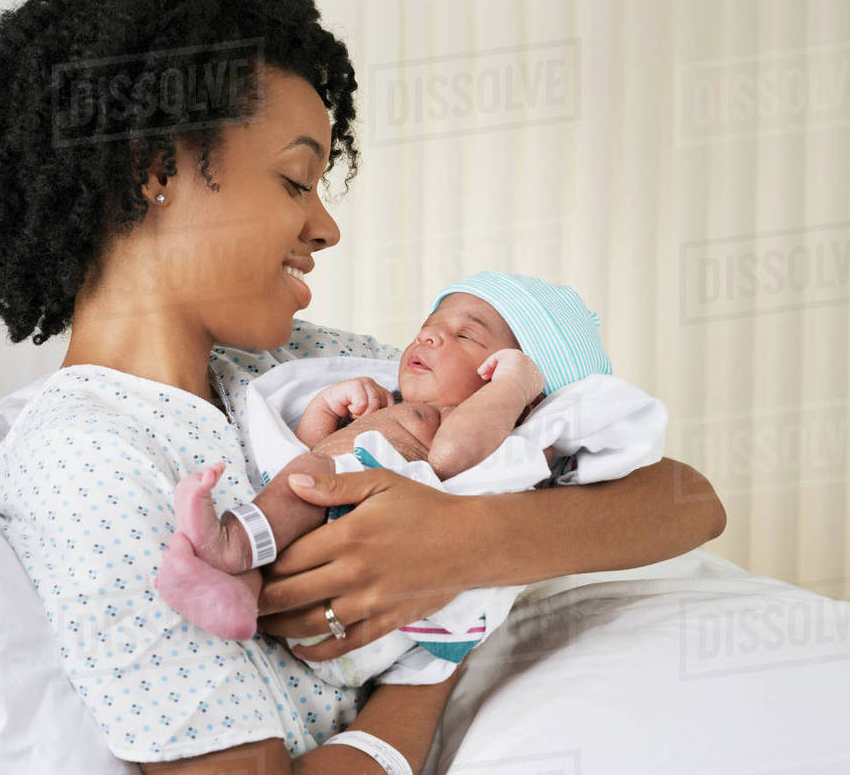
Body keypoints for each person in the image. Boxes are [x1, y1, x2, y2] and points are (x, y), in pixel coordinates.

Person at [0, 0, 726, 772]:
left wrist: (465, 544)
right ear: (154, 168)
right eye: (296, 180)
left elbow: (686, 501)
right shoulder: (89, 463)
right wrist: (430, 666)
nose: (327, 225)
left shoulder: (299, 361)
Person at [157, 271, 669, 690]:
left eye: (466, 335)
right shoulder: (398, 403)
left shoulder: (493, 435)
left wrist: (512, 389)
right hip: (319, 535)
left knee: (314, 480)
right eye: (430, 324)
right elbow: (308, 452)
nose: (429, 335)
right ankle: (239, 588)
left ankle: (230, 543)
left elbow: (448, 459)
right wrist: (325, 410)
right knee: (311, 476)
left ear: (522, 386)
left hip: (362, 572)